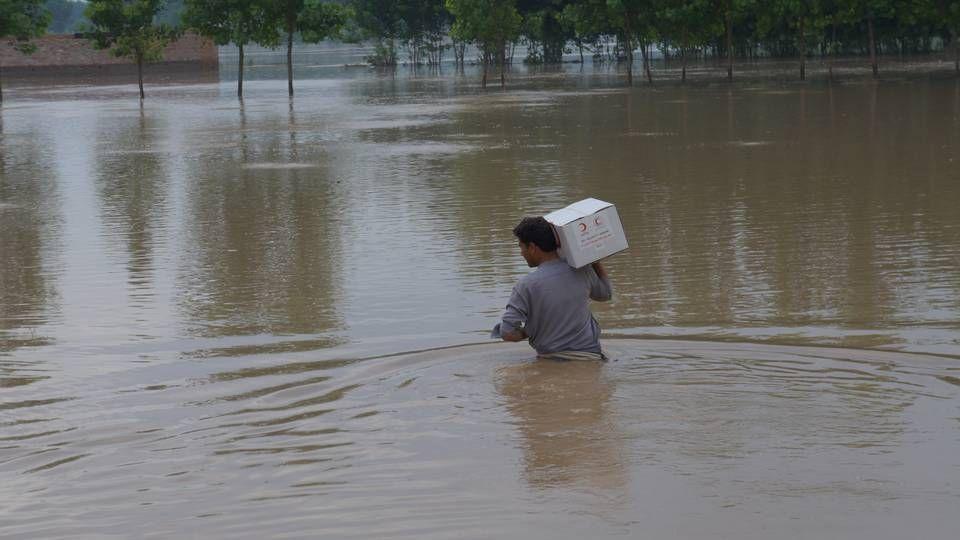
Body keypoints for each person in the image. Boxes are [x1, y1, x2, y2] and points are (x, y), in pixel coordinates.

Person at [494, 216, 612, 360]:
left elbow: (507, 333)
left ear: (532, 247)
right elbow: (605, 294)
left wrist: (528, 330)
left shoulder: (526, 285)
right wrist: (594, 260)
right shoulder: (581, 270)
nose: (521, 253)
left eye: (521, 247)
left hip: (550, 360)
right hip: (591, 358)